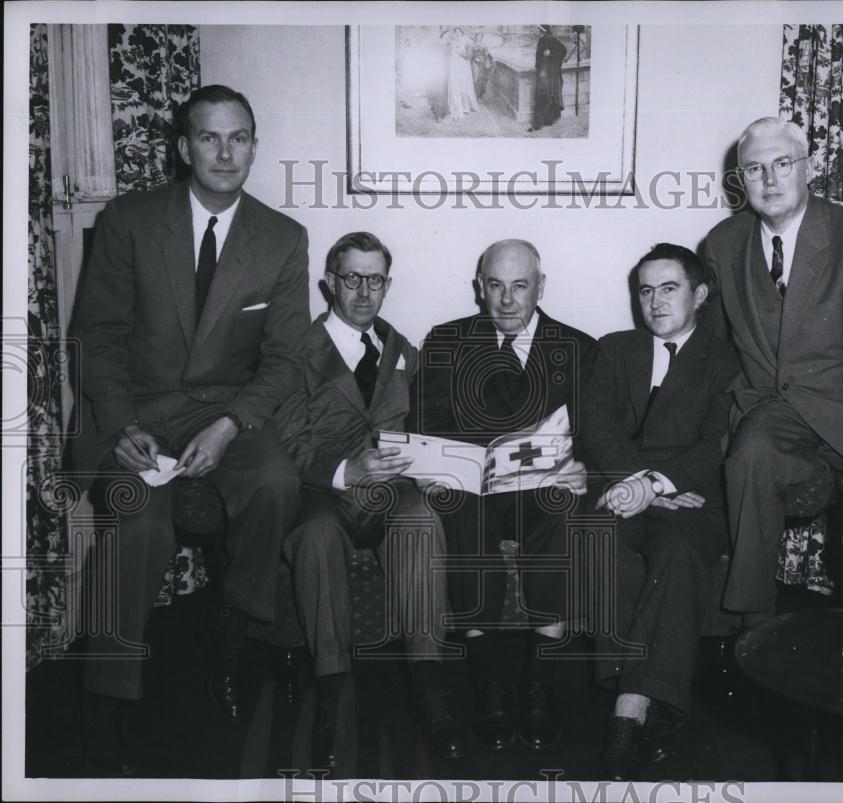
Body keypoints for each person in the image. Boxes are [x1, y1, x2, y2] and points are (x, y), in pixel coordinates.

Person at [71, 84, 309, 773]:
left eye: (239, 138)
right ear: (183, 147)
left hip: (226, 410)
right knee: (139, 522)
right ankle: (103, 694)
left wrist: (233, 424)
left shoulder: (283, 237)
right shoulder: (130, 220)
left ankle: (232, 630)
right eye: (209, 137)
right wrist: (119, 424)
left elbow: (287, 358)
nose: (226, 152)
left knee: (275, 478)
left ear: (255, 147)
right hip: (137, 411)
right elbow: (97, 336)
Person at [705, 117, 843, 618]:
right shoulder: (722, 244)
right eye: (754, 169)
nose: (770, 180)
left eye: (783, 164)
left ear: (810, 167)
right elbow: (712, 354)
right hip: (776, 416)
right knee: (749, 456)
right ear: (740, 180)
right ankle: (750, 627)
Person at [273, 232, 465, 770]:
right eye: (352, 278)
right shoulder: (295, 351)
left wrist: (434, 468)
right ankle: (333, 699)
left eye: (374, 279)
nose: (363, 291)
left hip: (391, 493)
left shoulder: (403, 349)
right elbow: (284, 443)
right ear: (329, 282)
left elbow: (426, 425)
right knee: (313, 537)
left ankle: (430, 692)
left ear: (387, 285)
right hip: (320, 493)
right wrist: (344, 471)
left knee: (421, 520)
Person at [408, 239, 595, 752]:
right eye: (496, 286)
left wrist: (583, 469)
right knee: (457, 504)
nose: (507, 300)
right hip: (474, 492)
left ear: (540, 287)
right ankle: (490, 682)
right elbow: (425, 423)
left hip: (540, 492)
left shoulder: (579, 347)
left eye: (520, 286)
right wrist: (436, 468)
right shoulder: (447, 340)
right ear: (479, 288)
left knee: (562, 503)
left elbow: (601, 434)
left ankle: (539, 683)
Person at [580, 244, 741, 780]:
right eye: (644, 290)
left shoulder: (727, 361)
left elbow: (717, 441)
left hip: (691, 495)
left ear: (698, 294)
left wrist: (657, 484)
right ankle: (657, 700)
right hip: (622, 488)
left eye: (668, 288)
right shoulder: (613, 349)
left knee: (674, 549)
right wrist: (637, 483)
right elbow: (595, 424)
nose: (654, 300)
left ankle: (632, 706)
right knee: (600, 536)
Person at [528, 25, 567, 132]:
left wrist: (551, 53)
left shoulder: (550, 39)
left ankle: (537, 124)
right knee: (544, 97)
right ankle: (544, 121)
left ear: (543, 30)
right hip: (542, 73)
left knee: (543, 97)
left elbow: (563, 50)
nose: (536, 30)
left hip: (548, 75)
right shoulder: (542, 40)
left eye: (537, 29)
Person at [445, 27, 478, 122]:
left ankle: (466, 107)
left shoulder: (467, 42)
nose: (457, 33)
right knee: (455, 85)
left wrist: (461, 53)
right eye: (456, 32)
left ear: (462, 33)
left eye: (459, 32)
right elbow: (449, 54)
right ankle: (456, 107)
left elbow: (469, 56)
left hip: (463, 66)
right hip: (454, 66)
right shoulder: (453, 42)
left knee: (464, 85)